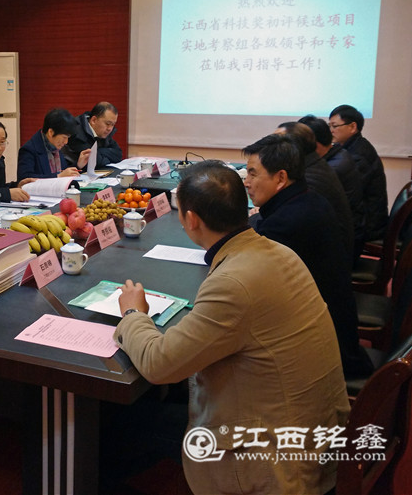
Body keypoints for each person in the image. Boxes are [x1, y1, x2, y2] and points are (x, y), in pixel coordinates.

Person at [115, 161, 350, 495]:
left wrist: (133, 314)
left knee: (124, 425)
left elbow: (158, 364)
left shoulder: (233, 284)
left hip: (275, 463)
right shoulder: (279, 252)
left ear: (191, 219)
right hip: (313, 434)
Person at [242, 134, 373, 378]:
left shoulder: (287, 223)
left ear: (281, 178)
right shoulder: (307, 199)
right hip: (333, 328)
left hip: (321, 352)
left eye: (252, 174)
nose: (246, 183)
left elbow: (245, 274)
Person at [275, 121, 354, 256]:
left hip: (326, 259)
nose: (270, 150)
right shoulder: (314, 165)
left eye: (276, 145)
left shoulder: (310, 180)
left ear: (293, 149)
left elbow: (284, 224)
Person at [299, 114, 366, 257]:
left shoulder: (330, 168)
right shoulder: (338, 153)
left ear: (313, 144)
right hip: (348, 234)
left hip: (342, 247)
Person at [328, 104, 388, 241]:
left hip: (367, 224)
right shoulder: (353, 146)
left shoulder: (358, 156)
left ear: (352, 127)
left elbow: (348, 195)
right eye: (329, 126)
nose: (331, 130)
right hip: (363, 217)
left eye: (334, 126)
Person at [17, 108, 91, 179]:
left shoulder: (54, 146)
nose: (66, 142)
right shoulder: (29, 150)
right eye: (64, 137)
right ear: (51, 132)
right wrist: (58, 176)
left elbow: (63, 171)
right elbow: (24, 179)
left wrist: (78, 165)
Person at [62, 102, 123, 169]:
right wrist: (101, 154)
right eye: (108, 124)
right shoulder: (77, 132)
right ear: (93, 120)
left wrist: (99, 151)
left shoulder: (103, 131)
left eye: (113, 124)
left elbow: (118, 154)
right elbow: (97, 163)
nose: (110, 128)